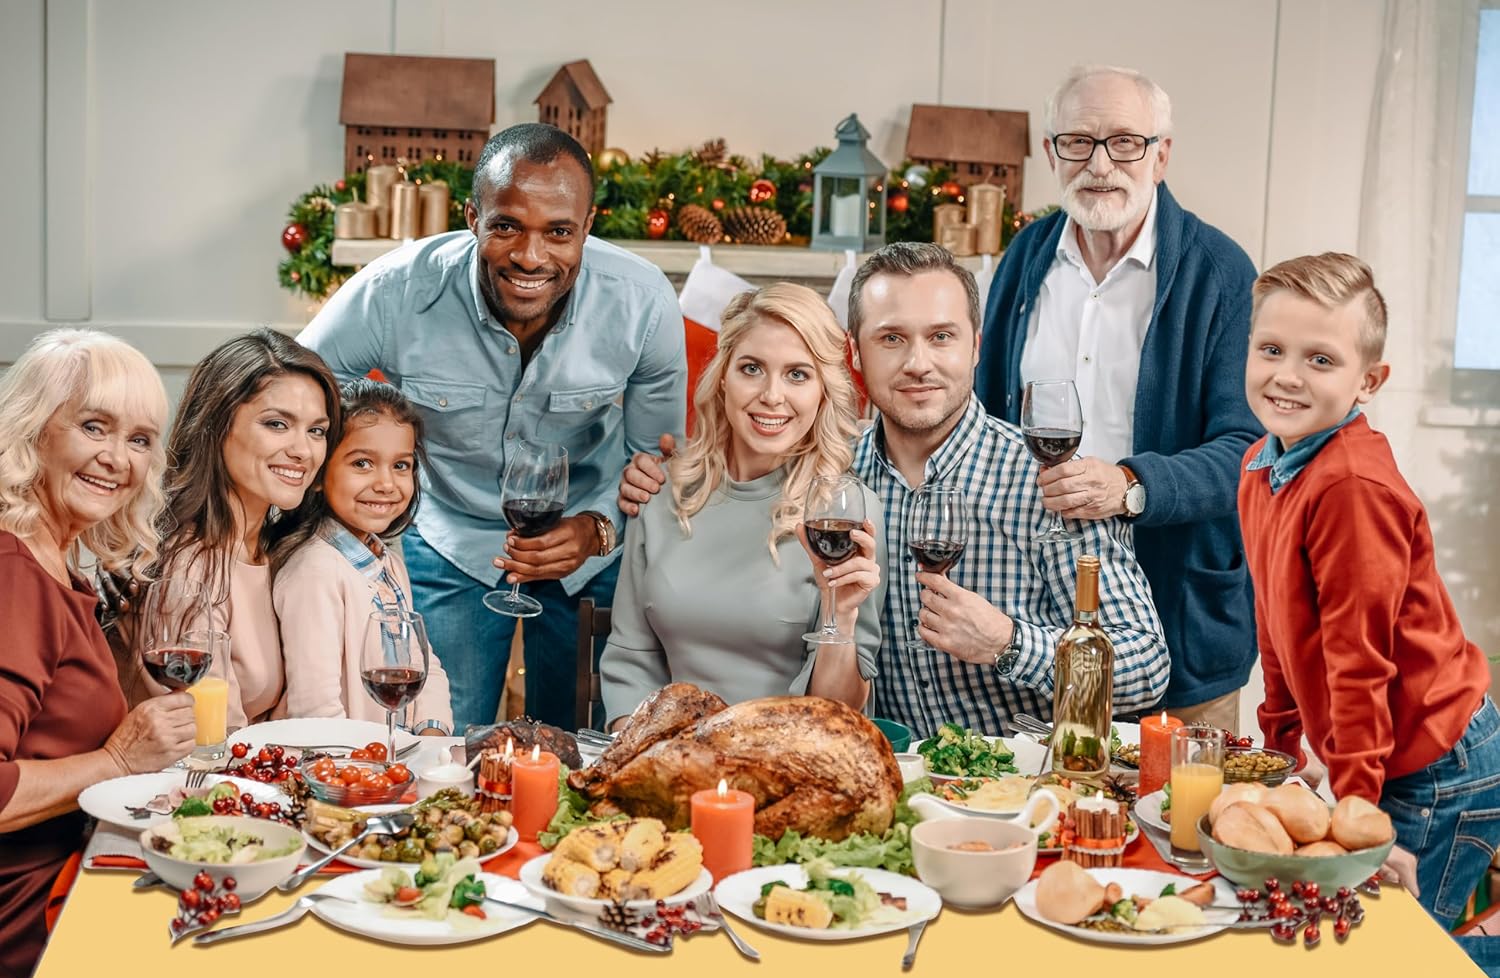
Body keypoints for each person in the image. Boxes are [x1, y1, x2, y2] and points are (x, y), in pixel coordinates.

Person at [622, 244, 1169, 736]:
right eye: (891, 339)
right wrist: (659, 475)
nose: (917, 364)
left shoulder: (1050, 481)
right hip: (888, 777)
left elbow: (1147, 668)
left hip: (1019, 782)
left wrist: (1008, 643)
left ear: (976, 347)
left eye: (941, 337)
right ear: (855, 355)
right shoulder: (827, 475)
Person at [300, 123, 686, 732]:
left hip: (586, 545)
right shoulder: (396, 290)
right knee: (441, 740)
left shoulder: (642, 302)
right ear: (472, 216)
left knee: (581, 744)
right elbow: (298, 385)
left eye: (559, 232)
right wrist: (376, 460)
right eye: (507, 225)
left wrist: (598, 529)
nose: (531, 257)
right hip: (448, 538)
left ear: (587, 227)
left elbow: (658, 460)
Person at [1238, 253, 1500, 978]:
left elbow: (1360, 664)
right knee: (1357, 948)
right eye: (1271, 350)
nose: (1287, 375)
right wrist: (1282, 752)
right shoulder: (1264, 462)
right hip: (1388, 755)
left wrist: (1355, 820)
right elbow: (1277, 623)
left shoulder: (1351, 485)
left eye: (1320, 358)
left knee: (1387, 963)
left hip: (1435, 765)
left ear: (1368, 381)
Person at [975, 65, 1260, 731]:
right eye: (1077, 141)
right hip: (1041, 618)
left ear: (1161, 155)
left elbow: (1246, 451)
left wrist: (1129, 485)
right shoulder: (1024, 258)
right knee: (1061, 814)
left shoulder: (1220, 272)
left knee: (1178, 825)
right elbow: (986, 417)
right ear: (1051, 154)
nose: (1100, 164)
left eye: (1125, 142)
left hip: (1181, 618)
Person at [0, 330, 195, 978]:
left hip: (79, 867)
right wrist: (115, 763)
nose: (118, 458)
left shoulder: (61, 563)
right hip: (32, 923)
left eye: (140, 439)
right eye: (95, 426)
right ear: (36, 428)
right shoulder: (14, 575)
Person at [600, 284, 883, 728]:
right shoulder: (662, 489)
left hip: (787, 764)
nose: (772, 395)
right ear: (723, 377)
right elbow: (630, 659)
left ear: (823, 391)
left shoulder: (843, 510)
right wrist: (641, 755)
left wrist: (840, 615)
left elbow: (839, 714)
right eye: (752, 368)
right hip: (674, 759)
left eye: (797, 374)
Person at [122, 329, 341, 730]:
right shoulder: (193, 566)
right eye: (277, 424)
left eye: (317, 430)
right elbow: (210, 745)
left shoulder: (276, 551)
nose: (303, 450)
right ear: (217, 425)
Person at [274, 379, 453, 732]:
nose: (386, 483)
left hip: (396, 757)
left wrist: (433, 734)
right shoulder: (316, 572)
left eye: (401, 465)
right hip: (345, 769)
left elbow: (423, 663)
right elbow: (316, 713)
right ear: (320, 474)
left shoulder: (388, 563)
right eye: (362, 464)